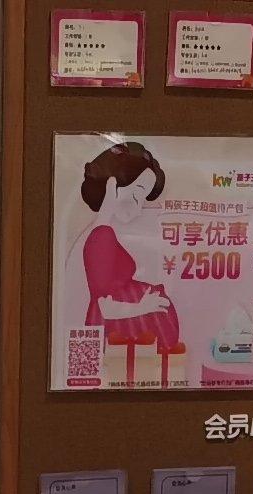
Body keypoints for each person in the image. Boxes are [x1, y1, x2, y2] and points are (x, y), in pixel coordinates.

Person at [75, 141, 181, 386]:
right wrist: (144, 306)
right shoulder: (101, 237)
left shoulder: (105, 234)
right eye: (136, 195)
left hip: (126, 335)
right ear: (111, 186)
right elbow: (105, 306)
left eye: (142, 199)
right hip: (119, 332)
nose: (139, 207)